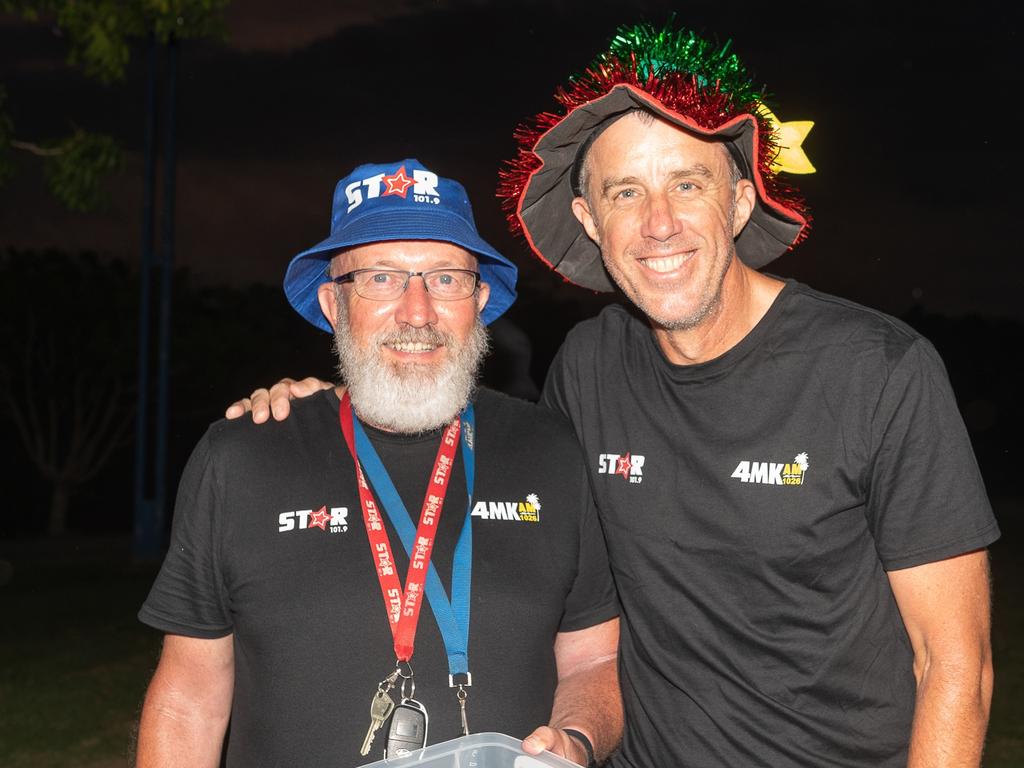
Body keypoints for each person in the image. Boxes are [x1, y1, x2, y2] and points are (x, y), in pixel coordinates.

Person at [229, 23, 999, 768]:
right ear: (589, 221)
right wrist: (334, 404)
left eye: (687, 184)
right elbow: (478, 460)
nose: (659, 223)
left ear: (737, 202)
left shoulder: (879, 370)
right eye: (626, 192)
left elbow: (955, 666)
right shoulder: (590, 366)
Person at [136, 159, 622, 768]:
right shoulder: (243, 457)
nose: (417, 312)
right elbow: (188, 700)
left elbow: (595, 660)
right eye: (381, 279)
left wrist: (575, 738)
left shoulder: (552, 452)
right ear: (333, 304)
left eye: (445, 279)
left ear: (482, 300)